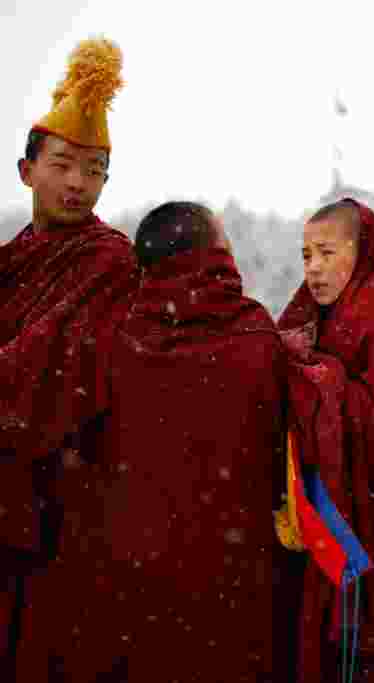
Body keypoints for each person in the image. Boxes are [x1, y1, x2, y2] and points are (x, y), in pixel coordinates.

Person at [14, 201, 292, 681]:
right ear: (214, 257)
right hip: (228, 598)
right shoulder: (256, 338)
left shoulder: (106, 337)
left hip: (119, 598)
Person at [0, 37, 137, 678]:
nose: (78, 183)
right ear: (26, 171)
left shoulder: (108, 260)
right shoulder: (13, 261)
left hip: (61, 493)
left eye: (94, 169)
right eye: (63, 164)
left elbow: (51, 372)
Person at [276, 199, 374, 683]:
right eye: (305, 256)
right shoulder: (318, 315)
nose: (313, 268)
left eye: (326, 253)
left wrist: (319, 380)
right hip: (324, 498)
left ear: (365, 255)